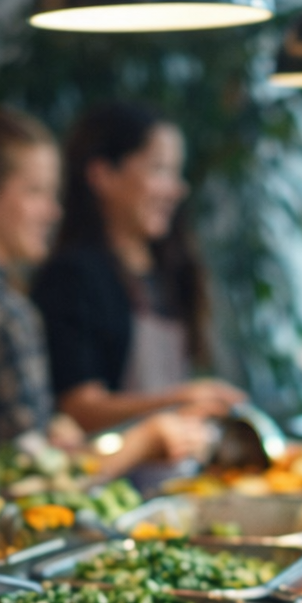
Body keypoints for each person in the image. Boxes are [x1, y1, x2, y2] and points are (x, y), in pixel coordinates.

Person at [0, 98, 208, 472]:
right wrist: (146, 440)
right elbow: (37, 480)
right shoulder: (2, 308)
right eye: (35, 192)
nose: (52, 211)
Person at [30, 102, 247, 431]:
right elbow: (78, 407)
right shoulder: (72, 276)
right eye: (159, 170)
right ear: (103, 175)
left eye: (176, 172)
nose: (177, 189)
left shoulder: (169, 269)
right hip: (112, 476)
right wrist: (182, 401)